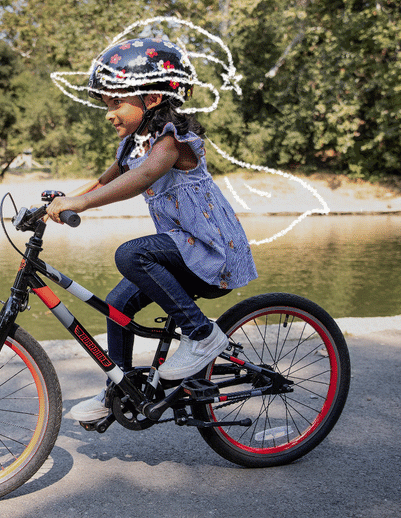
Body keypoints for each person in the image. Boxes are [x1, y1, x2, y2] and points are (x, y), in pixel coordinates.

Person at [46, 29, 258, 422]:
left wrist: (80, 204)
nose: (109, 113)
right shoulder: (134, 144)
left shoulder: (172, 142)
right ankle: (119, 391)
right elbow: (103, 181)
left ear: (153, 98)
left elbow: (143, 178)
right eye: (105, 104)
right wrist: (55, 205)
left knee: (131, 254)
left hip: (211, 251)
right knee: (118, 305)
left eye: (116, 102)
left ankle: (201, 335)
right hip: (183, 251)